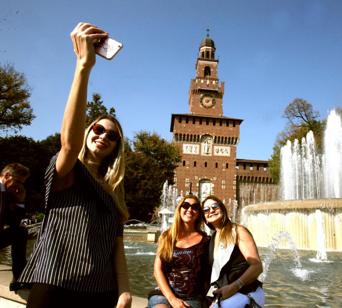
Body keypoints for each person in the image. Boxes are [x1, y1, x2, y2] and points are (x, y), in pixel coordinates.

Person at [18, 22, 131, 308]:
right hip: (55, 282)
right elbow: (68, 144)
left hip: (101, 292)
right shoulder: (67, 169)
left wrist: (125, 291)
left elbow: (117, 248)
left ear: (118, 146)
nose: (103, 135)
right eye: (97, 129)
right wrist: (83, 67)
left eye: (112, 135)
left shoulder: (114, 191)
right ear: (87, 131)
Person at [202, 195, 265, 308]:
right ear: (205, 218)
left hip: (245, 292)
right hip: (225, 293)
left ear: (222, 209)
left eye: (214, 206)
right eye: (206, 210)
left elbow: (257, 267)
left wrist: (234, 287)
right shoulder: (212, 238)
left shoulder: (238, 231)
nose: (211, 210)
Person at [148, 195, 210, 308]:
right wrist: (172, 299)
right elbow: (158, 270)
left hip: (192, 297)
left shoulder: (206, 240)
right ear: (179, 209)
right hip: (164, 294)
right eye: (185, 206)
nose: (190, 210)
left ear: (199, 213)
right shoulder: (167, 237)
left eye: (195, 207)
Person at [0, 163, 30, 291]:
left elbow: (14, 223)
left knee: (20, 232)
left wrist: (20, 201)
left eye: (22, 183)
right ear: (7, 176)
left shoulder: (8, 194)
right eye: (17, 181)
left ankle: (19, 278)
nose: (18, 186)